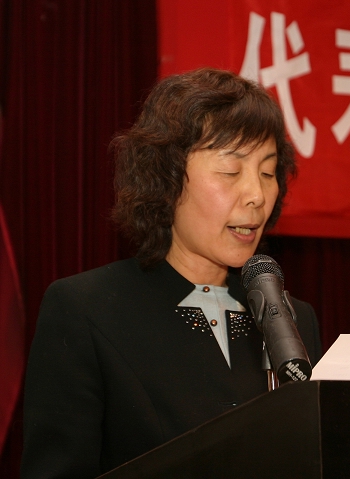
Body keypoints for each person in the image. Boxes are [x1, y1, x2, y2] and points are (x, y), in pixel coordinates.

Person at [21, 68, 322, 478]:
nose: (257, 195)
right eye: (231, 171)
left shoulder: (292, 318)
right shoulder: (86, 310)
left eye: (268, 173)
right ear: (167, 177)